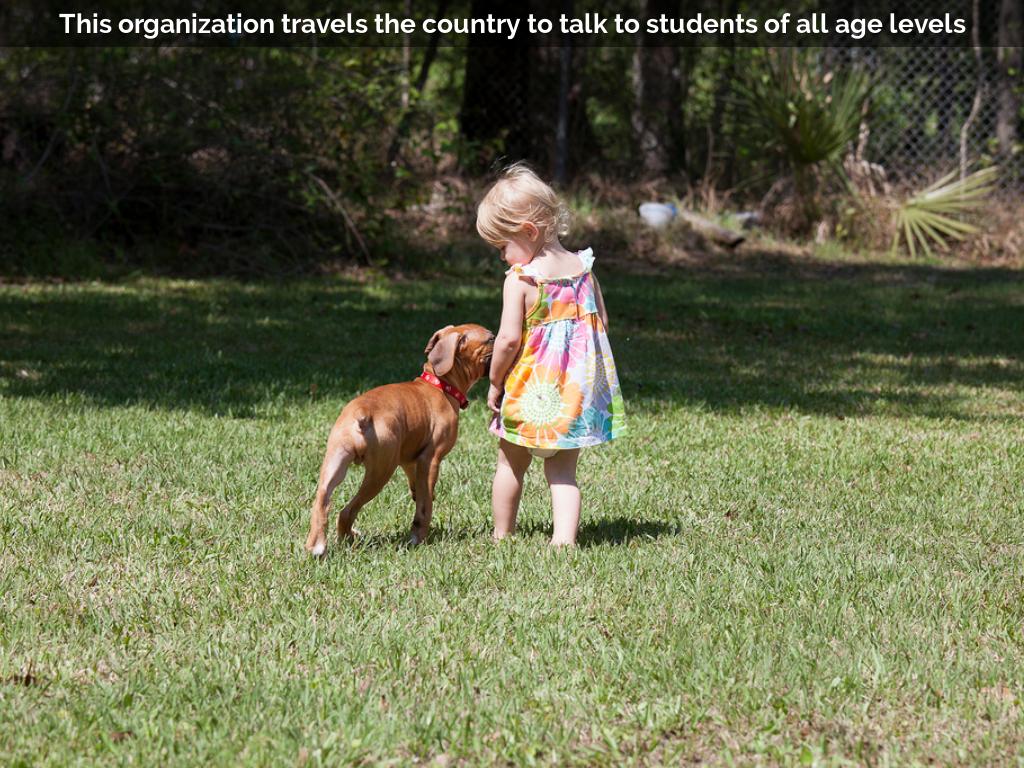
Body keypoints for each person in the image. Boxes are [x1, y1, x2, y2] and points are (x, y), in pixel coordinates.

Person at [476, 163, 626, 546]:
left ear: (528, 231)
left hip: (530, 393)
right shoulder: (584, 269)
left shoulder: (522, 280)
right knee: (562, 473)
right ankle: (563, 540)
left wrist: (495, 381)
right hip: (575, 395)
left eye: (502, 247)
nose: (502, 257)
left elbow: (508, 340)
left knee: (510, 463)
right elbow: (602, 322)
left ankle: (502, 534)